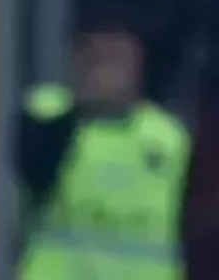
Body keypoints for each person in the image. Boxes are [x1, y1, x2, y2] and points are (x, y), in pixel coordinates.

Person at [17, 19, 191, 280]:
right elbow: (30, 173)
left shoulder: (168, 138)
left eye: (115, 59)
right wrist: (78, 110)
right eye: (94, 57)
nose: (104, 71)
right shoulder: (46, 115)